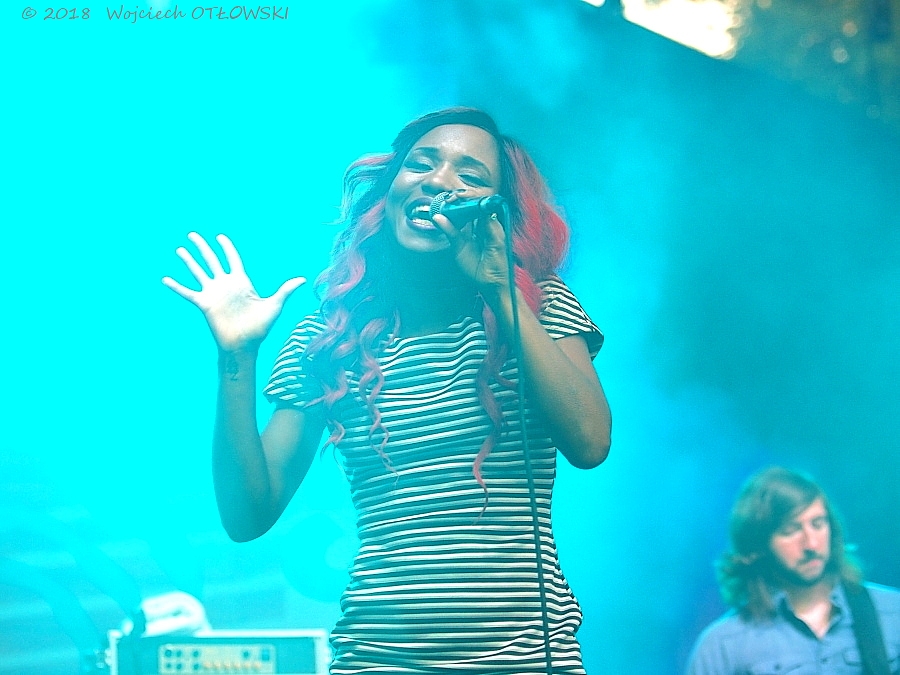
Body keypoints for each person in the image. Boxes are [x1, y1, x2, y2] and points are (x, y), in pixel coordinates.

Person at [162, 107, 612, 674]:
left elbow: (590, 443)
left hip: (523, 661)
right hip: (377, 658)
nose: (439, 181)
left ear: (495, 211)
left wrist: (502, 292)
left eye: (470, 176)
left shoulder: (536, 308)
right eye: (421, 164)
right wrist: (237, 357)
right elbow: (247, 516)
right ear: (389, 189)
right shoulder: (330, 338)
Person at [686, 466, 900, 674]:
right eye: (790, 530)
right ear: (757, 547)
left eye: (818, 524)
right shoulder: (722, 648)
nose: (811, 544)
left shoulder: (892, 613)